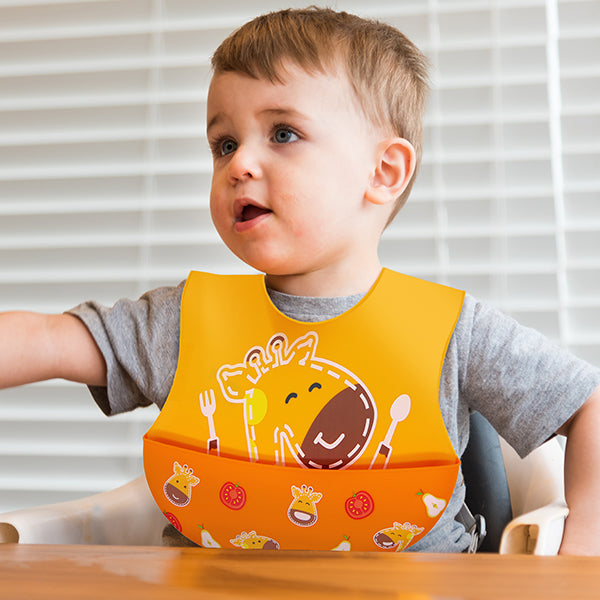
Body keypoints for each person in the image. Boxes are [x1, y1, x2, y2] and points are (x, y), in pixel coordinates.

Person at [2, 7, 600, 554]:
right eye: (224, 143)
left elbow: (587, 404)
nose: (239, 164)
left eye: (283, 133)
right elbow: (48, 340)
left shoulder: (454, 331)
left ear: (383, 172)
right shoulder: (181, 322)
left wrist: (581, 556)